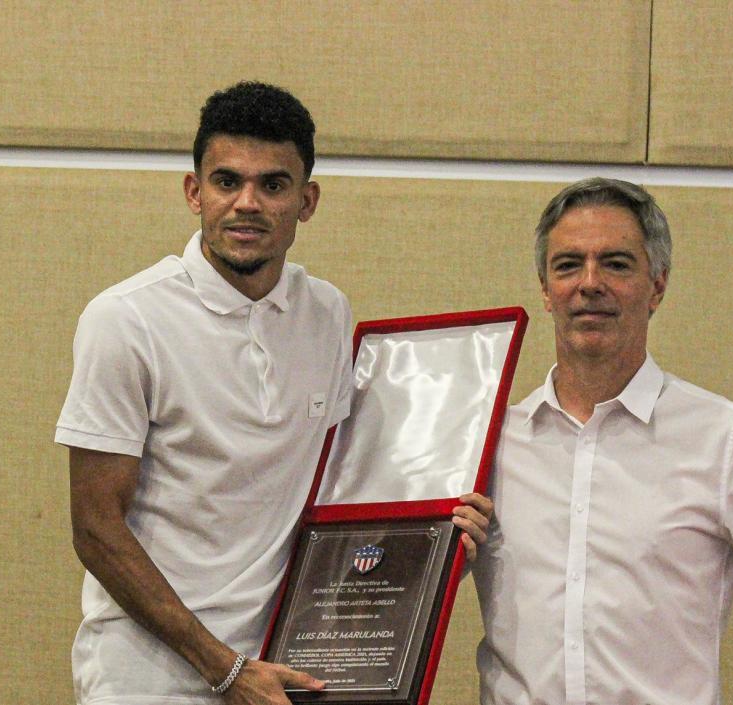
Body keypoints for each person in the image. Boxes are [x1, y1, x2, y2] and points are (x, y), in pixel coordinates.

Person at [55, 81, 492, 705]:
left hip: (285, 666)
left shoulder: (327, 313)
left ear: (306, 201)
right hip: (148, 674)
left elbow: (336, 500)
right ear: (194, 192)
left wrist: (437, 547)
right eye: (226, 181)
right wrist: (225, 669)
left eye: (273, 185)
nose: (247, 203)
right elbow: (95, 527)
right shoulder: (125, 320)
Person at [474, 177, 733, 705]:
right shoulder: (489, 445)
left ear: (657, 286)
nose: (589, 283)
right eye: (568, 265)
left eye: (616, 264)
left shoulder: (728, 439)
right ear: (544, 288)